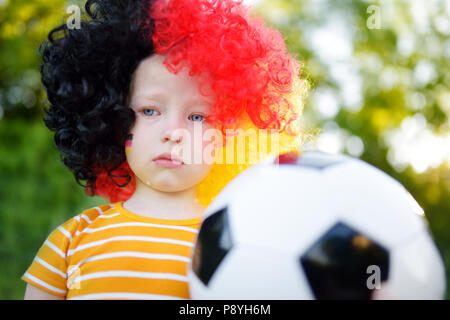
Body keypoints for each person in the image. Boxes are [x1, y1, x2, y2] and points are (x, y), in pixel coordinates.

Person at [22, 0, 308, 299]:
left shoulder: (238, 247)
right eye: (149, 111)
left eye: (198, 116)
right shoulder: (70, 241)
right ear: (114, 120)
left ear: (228, 134)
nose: (174, 133)